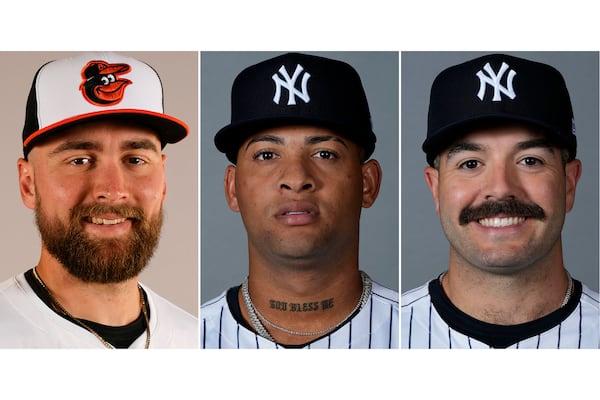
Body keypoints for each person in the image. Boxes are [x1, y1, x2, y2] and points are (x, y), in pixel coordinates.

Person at [401, 53, 600, 349]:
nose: (501, 188)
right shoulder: (388, 335)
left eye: (529, 161)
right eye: (470, 164)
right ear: (435, 188)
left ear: (569, 184)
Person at [200, 52, 399, 349]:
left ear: (368, 184)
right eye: (267, 155)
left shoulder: (414, 330)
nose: (295, 178)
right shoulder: (190, 338)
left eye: (325, 154)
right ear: (232, 188)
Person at [0, 52, 198, 348]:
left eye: (135, 159)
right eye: (79, 160)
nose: (112, 189)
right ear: (28, 184)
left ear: (164, 180)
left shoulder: (197, 340)